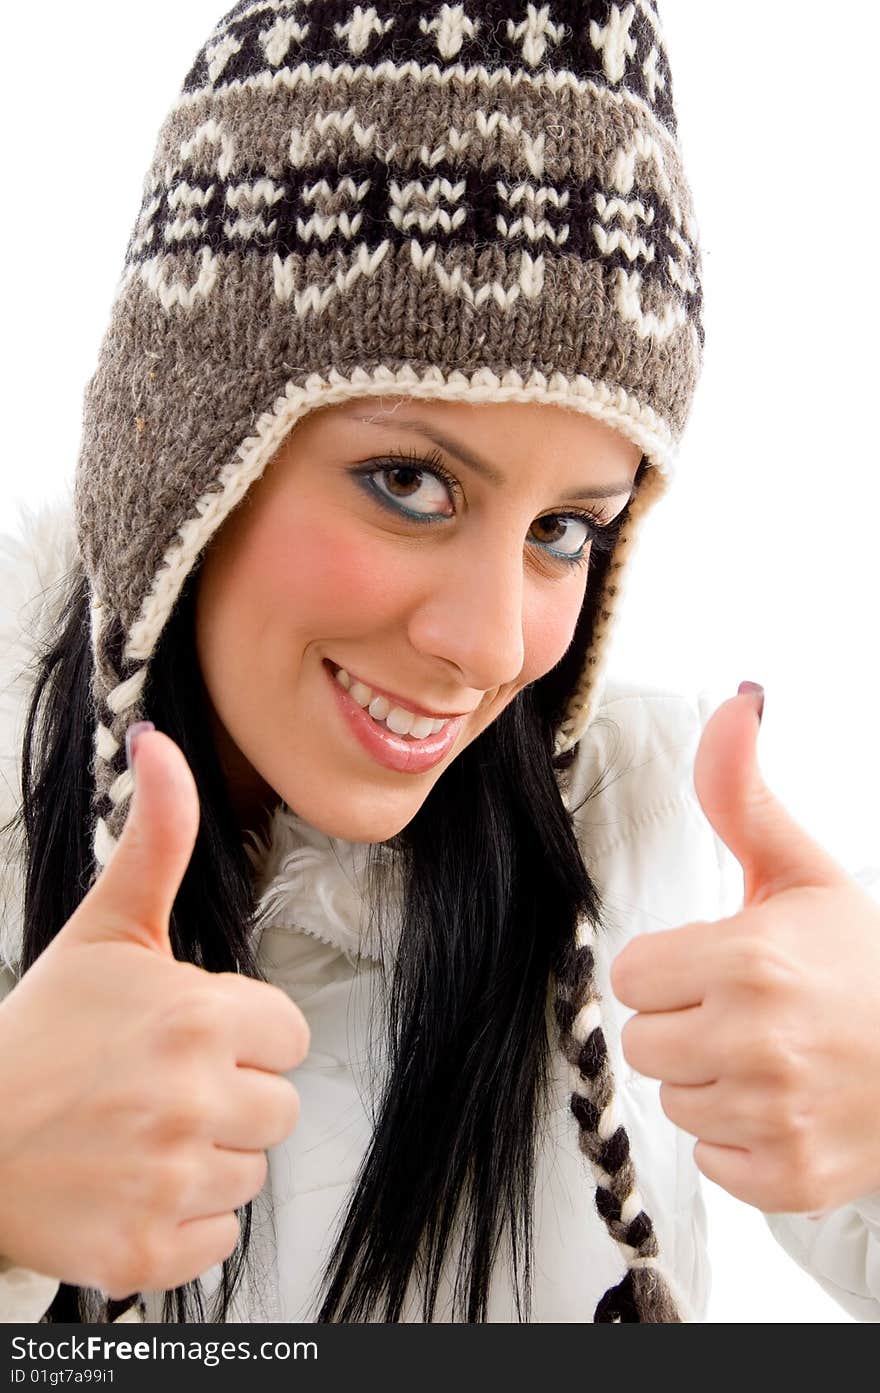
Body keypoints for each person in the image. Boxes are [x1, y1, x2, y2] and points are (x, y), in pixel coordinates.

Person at [0, 0, 878, 1325]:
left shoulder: (664, 856)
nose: (486, 644)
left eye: (565, 529)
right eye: (409, 481)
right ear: (180, 463)